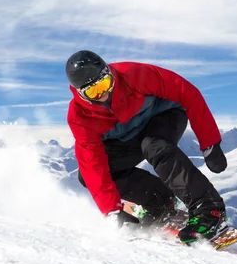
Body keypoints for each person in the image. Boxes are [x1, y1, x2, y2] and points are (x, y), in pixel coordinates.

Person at [65, 50, 228, 243]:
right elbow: (92, 164)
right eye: (93, 91)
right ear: (80, 94)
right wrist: (111, 210)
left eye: (105, 84)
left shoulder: (133, 75)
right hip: (126, 139)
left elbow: (187, 93)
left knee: (154, 145)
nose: (104, 94)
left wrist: (209, 143)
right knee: (88, 176)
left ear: (109, 73)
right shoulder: (80, 117)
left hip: (165, 117)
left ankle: (210, 210)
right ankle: (159, 201)